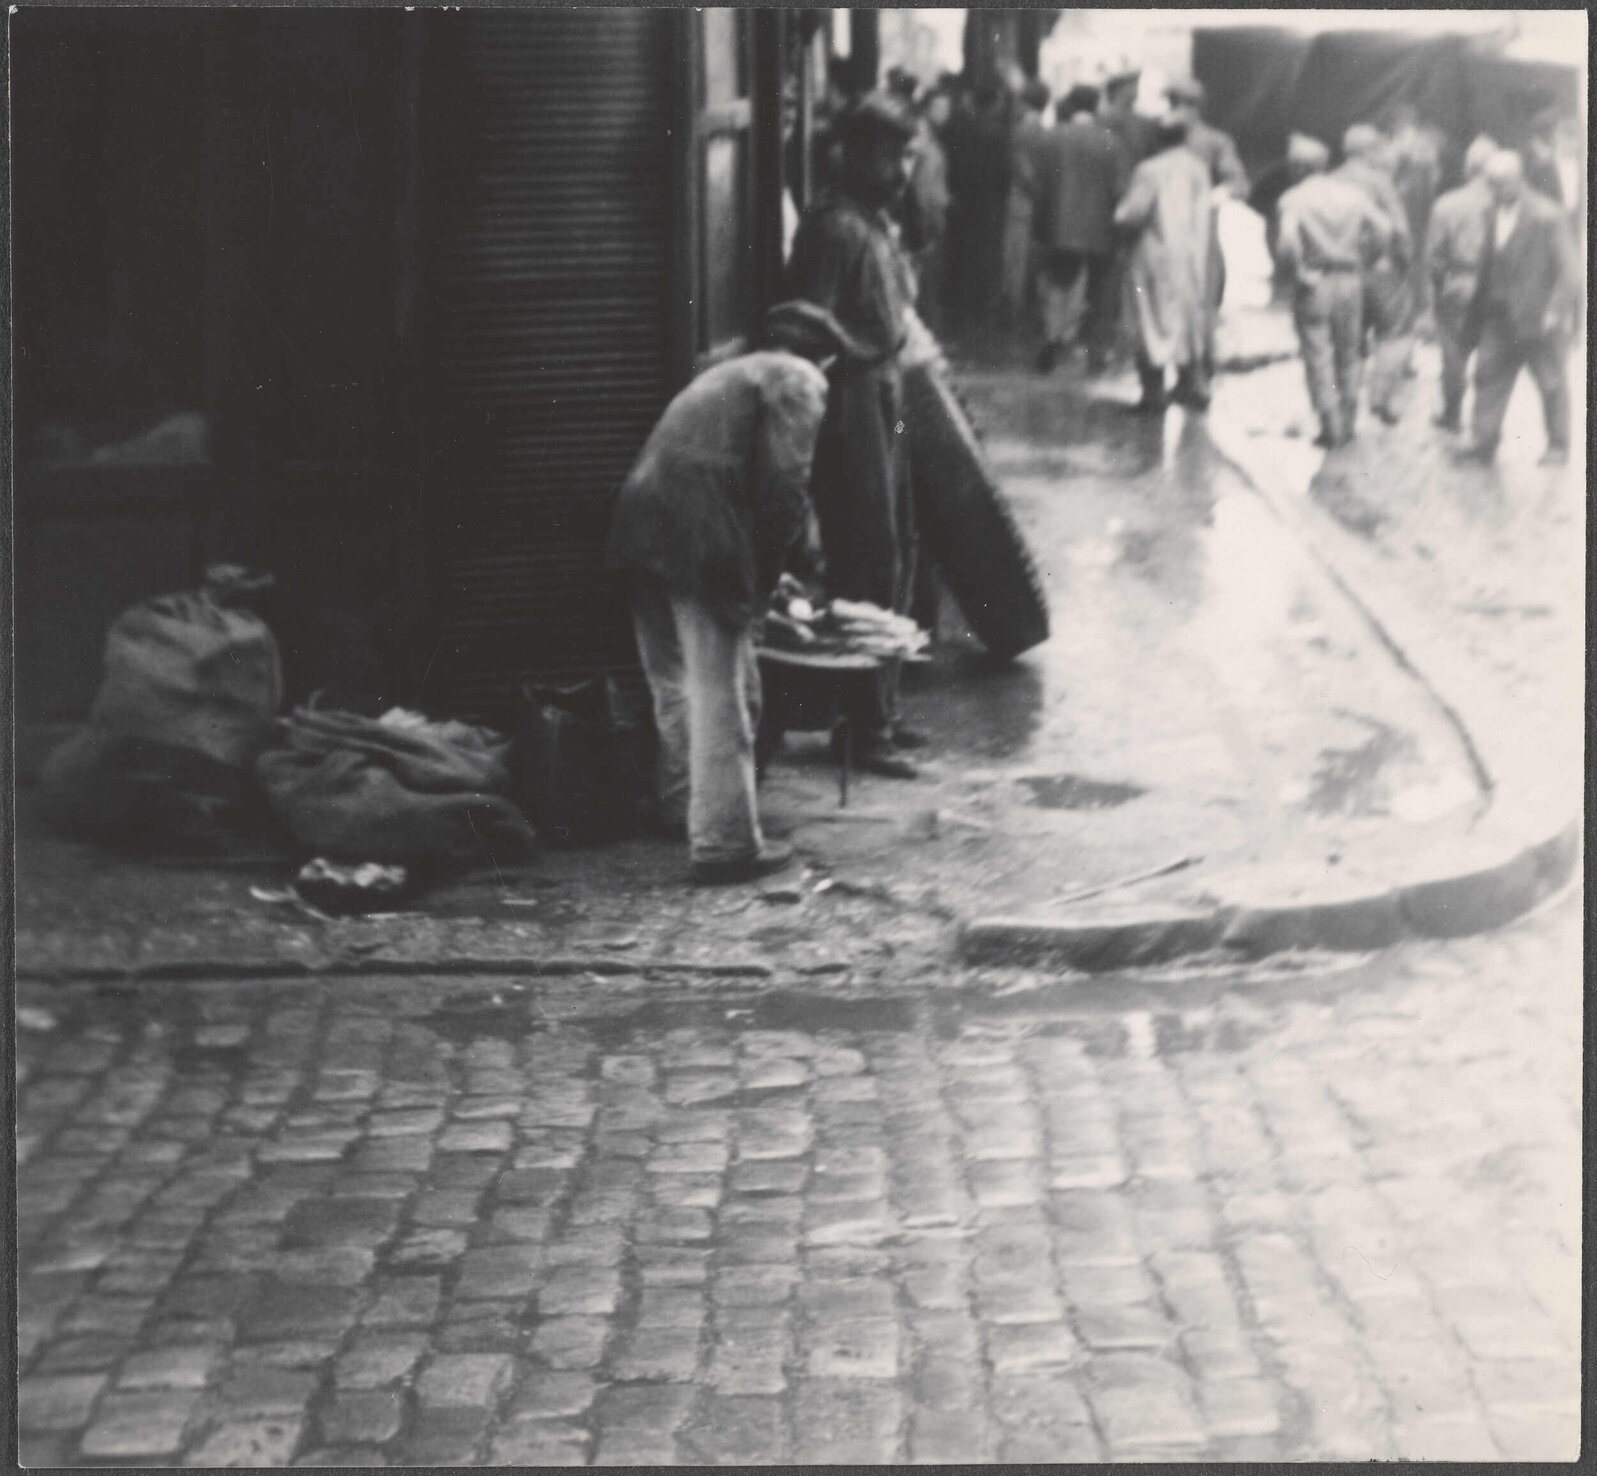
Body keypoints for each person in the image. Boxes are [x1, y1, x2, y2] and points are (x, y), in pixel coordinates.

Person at [606, 302, 867, 884]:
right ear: (820, 354)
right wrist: (768, 578)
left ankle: (682, 806)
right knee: (724, 692)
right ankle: (724, 845)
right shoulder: (798, 378)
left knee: (674, 680)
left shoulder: (730, 372)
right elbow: (784, 487)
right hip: (697, 534)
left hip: (637, 523)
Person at [787, 93, 925, 780]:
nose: (901, 169)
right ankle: (860, 727)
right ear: (852, 152)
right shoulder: (834, 227)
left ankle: (881, 710)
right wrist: (853, 349)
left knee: (894, 548)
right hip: (850, 401)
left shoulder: (871, 222)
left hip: (883, 392)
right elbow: (797, 321)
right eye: (890, 154)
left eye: (906, 155)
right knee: (866, 553)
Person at [1454, 151, 1577, 467]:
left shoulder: (1547, 214)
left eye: (1501, 184)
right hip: (1498, 315)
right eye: (1491, 185)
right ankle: (1483, 441)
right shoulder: (1491, 212)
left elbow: (1570, 270)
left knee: (1550, 381)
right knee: (1488, 375)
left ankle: (1558, 445)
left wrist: (1556, 309)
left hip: (1538, 316)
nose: (1496, 191)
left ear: (1519, 179)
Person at [1274, 134, 1392, 448]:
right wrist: (1369, 258)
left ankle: (1330, 425)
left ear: (1299, 167)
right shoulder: (1353, 195)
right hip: (1352, 279)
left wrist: (1297, 271)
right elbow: (1384, 228)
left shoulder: (1293, 199)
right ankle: (1350, 421)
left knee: (1318, 354)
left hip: (1315, 281)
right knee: (1350, 352)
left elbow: (1287, 241)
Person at [1113, 111, 1215, 412]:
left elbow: (1131, 214)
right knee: (1186, 319)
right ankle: (1193, 384)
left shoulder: (1150, 169)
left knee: (1149, 319)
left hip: (1154, 254)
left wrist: (1118, 216)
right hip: (1191, 254)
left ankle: (1153, 393)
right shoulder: (1198, 168)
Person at [1031, 84, 1131, 373]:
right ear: (1096, 106)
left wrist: (1042, 225)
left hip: (1058, 226)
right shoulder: (1112, 142)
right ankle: (1094, 354)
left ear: (1072, 106)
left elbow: (1039, 186)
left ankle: (1054, 336)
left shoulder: (1051, 139)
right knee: (1098, 292)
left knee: (1058, 285)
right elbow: (1120, 189)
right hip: (1101, 230)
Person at [1164, 77, 1248, 379]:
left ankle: (1198, 371)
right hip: (1191, 232)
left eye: (1182, 103)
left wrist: (1210, 200)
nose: (1178, 109)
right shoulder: (1164, 135)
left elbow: (1237, 183)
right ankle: (1196, 372)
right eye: (1175, 102)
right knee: (1200, 299)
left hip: (1189, 231)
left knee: (1198, 299)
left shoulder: (1213, 141)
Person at [1334, 124, 1413, 425]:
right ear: (1368, 151)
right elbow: (1399, 227)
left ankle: (1346, 409)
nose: (1381, 154)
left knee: (1347, 341)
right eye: (1378, 148)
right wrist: (1403, 263)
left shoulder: (1330, 179)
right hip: (1379, 270)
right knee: (1395, 334)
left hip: (1343, 271)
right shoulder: (1379, 182)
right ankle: (1380, 399)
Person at [1425, 134, 1498, 432]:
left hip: (1459, 282)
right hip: (1497, 285)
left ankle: (1452, 415)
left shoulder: (1447, 204)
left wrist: (1438, 288)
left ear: (1469, 168)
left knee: (1454, 352)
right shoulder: (1506, 203)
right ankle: (1486, 424)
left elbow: (1434, 257)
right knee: (1494, 354)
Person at [900, 83, 953, 335]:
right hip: (928, 223)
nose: (946, 112)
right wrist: (927, 229)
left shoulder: (931, 142)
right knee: (925, 288)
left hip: (929, 219)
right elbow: (922, 192)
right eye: (941, 107)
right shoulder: (926, 145)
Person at [1384, 102, 1443, 325]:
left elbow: (1390, 169)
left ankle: (1410, 306)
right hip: (1420, 204)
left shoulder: (1405, 143)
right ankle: (1417, 306)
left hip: (1408, 203)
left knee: (1407, 254)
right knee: (1417, 255)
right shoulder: (1424, 143)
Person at [1001, 78, 1053, 324]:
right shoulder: (1041, 128)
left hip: (1021, 201)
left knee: (1016, 259)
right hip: (1035, 200)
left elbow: (1022, 168)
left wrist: (1033, 191)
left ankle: (1013, 312)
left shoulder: (1024, 128)